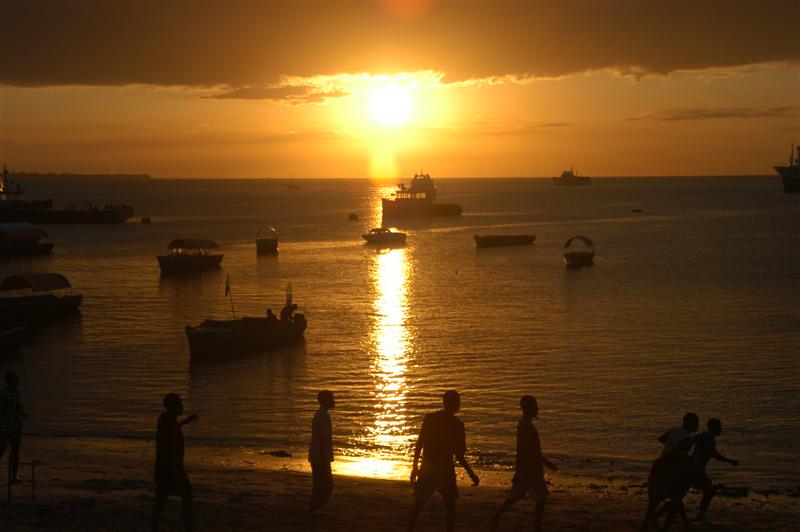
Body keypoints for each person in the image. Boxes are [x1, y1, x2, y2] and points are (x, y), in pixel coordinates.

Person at [407, 390, 480, 532]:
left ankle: (410, 529)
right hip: (445, 470)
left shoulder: (430, 418)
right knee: (449, 507)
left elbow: (419, 444)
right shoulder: (457, 425)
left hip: (428, 468)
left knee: (419, 505)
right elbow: (459, 454)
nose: (459, 404)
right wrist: (471, 473)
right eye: (457, 401)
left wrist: (415, 466)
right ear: (451, 403)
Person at [488, 395, 557, 532]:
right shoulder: (525, 427)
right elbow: (523, 451)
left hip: (532, 469)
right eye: (535, 406)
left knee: (522, 496)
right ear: (527, 408)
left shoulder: (526, 425)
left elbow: (533, 450)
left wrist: (547, 463)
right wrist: (518, 471)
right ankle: (535, 527)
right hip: (530, 470)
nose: (537, 408)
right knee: (538, 497)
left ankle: (496, 518)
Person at [641, 412, 699, 530]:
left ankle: (646, 524)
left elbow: (661, 439)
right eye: (696, 423)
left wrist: (670, 442)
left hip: (660, 464)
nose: (698, 425)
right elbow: (676, 454)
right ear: (690, 423)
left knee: (655, 499)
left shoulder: (674, 430)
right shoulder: (688, 439)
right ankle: (664, 526)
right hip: (671, 468)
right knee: (676, 499)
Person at [152, 393, 198, 532]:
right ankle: (187, 528)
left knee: (161, 500)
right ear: (173, 406)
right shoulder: (166, 420)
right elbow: (169, 440)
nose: (181, 406)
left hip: (166, 468)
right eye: (179, 404)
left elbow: (172, 429)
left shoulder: (167, 419)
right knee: (187, 496)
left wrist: (184, 422)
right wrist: (176, 469)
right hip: (171, 468)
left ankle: (155, 527)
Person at [692, 418, 738, 522]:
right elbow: (713, 454)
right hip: (697, 469)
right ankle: (700, 516)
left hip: (692, 467)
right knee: (709, 491)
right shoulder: (709, 438)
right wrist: (729, 461)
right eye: (719, 427)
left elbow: (691, 440)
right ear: (713, 428)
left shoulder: (703, 435)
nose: (721, 429)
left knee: (682, 492)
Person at [309, 390, 335, 516]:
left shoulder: (320, 415)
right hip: (320, 457)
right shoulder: (322, 416)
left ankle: (314, 509)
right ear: (325, 401)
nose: (334, 401)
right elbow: (322, 439)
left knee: (319, 485)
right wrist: (325, 458)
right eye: (331, 399)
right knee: (326, 485)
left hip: (317, 456)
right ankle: (316, 509)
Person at [0, 371, 27, 484]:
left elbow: (15, 406)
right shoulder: (3, 393)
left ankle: (14, 476)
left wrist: (21, 412)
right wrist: (14, 406)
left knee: (15, 451)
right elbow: (2, 408)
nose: (17, 382)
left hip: (16, 425)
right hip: (5, 426)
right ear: (9, 381)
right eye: (15, 380)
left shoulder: (17, 392)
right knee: (1, 450)